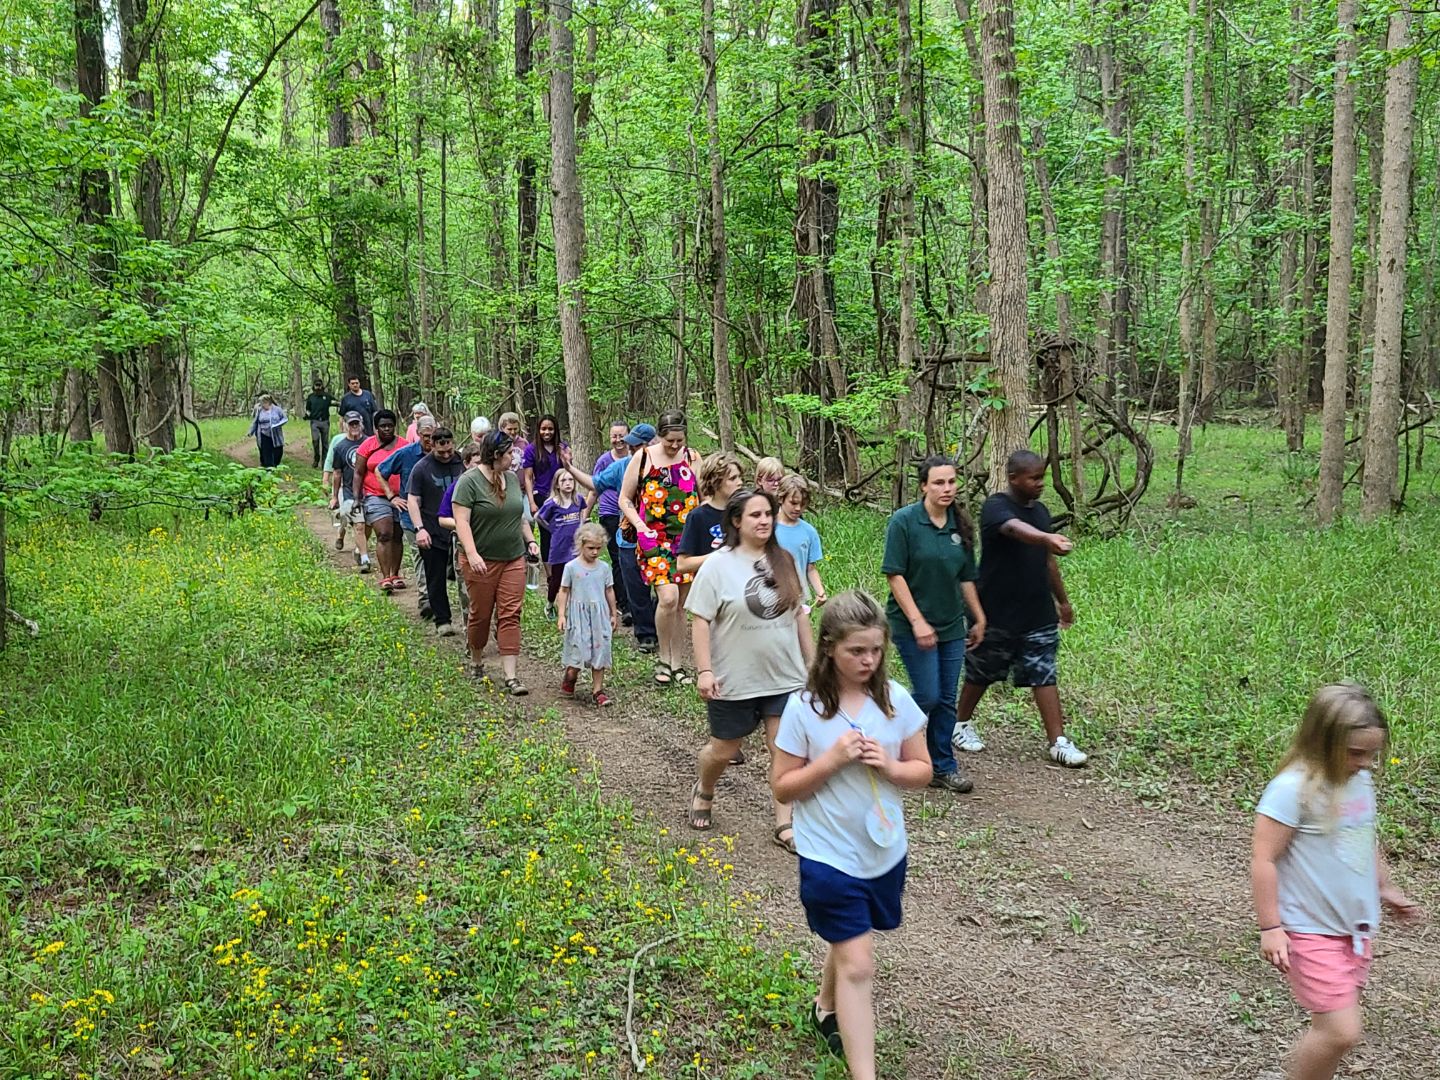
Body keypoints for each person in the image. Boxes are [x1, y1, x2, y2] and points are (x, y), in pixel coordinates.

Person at [771, 591, 932, 1076]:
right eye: (855, 651)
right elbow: (783, 786)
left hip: (882, 851)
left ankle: (825, 1007)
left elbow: (922, 770)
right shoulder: (805, 708)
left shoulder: (895, 701)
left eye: (876, 650)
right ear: (828, 648)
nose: (868, 660)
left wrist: (890, 767)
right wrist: (831, 760)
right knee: (860, 965)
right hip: (826, 855)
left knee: (851, 942)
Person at [1251, 684, 1424, 1080]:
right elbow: (1263, 858)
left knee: (1333, 1030)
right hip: (1310, 927)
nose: (1367, 763)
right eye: (1356, 753)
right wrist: (1271, 928)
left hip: (1354, 928)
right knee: (1340, 1032)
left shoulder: (1358, 780)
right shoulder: (1292, 790)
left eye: (1372, 754)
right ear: (1321, 740)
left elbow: (1363, 836)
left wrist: (1385, 887)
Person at [685, 490, 813, 855]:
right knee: (724, 749)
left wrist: (814, 665)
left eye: (768, 514)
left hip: (784, 677)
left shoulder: (784, 560)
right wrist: (705, 671)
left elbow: (799, 615)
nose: (764, 520)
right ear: (736, 521)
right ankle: (705, 788)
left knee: (783, 750)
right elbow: (700, 619)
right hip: (734, 678)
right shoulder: (717, 565)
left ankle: (784, 823)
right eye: (755, 514)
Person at [955, 448, 1087, 767]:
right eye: (1035, 478)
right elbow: (1014, 529)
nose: (1041, 483)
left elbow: (1048, 562)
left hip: (1037, 612)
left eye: (1043, 476)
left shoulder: (1041, 512)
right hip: (995, 612)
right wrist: (1047, 538)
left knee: (1044, 672)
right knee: (981, 672)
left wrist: (1063, 602)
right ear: (1014, 478)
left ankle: (1057, 741)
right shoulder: (996, 506)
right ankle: (958, 725)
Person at [881, 456, 986, 794]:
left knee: (945, 698)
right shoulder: (905, 522)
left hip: (951, 625)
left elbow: (966, 577)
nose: (947, 489)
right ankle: (886, 738)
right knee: (926, 693)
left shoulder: (961, 524)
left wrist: (979, 617)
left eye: (952, 482)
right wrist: (917, 621)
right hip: (911, 623)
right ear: (924, 485)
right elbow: (894, 575)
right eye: (939, 482)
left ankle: (942, 765)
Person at [451, 430, 541, 696]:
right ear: (494, 455)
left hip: (513, 558)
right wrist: (472, 552)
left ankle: (511, 676)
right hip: (480, 560)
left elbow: (519, 516)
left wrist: (530, 541)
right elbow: (462, 522)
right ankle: (477, 660)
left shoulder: (512, 479)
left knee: (510, 614)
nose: (514, 457)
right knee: (480, 614)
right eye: (509, 452)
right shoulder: (469, 482)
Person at [619, 410, 701, 686]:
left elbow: (702, 498)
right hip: (653, 539)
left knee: (680, 605)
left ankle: (678, 664)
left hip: (686, 540)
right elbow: (625, 499)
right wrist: (640, 525)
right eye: (670, 441)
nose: (675, 446)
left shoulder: (692, 458)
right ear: (660, 436)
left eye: (679, 440)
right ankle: (663, 659)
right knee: (667, 598)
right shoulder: (642, 458)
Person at [563, 427, 659, 654]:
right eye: (632, 446)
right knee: (635, 586)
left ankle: (658, 618)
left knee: (663, 588)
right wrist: (569, 468)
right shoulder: (622, 467)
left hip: (660, 537)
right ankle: (646, 634)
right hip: (628, 537)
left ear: (652, 444)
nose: (633, 450)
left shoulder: (664, 467)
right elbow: (595, 483)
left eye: (638, 446)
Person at [407, 427, 466, 637]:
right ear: (432, 445)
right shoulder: (421, 468)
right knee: (435, 576)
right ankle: (443, 620)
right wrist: (419, 529)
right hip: (432, 529)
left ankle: (470, 618)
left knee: (464, 576)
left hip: (460, 528)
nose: (446, 455)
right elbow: (413, 500)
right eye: (441, 452)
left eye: (449, 450)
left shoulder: (462, 463)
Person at [557, 522, 619, 707]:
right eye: (590, 548)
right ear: (581, 545)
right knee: (578, 649)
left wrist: (613, 613)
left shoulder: (604, 568)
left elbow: (609, 591)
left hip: (599, 616)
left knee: (600, 650)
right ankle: (571, 676)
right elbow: (564, 590)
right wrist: (562, 614)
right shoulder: (571, 567)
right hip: (579, 616)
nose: (594, 552)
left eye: (598, 548)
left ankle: (597, 690)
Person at [379, 416, 436, 612]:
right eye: (426, 436)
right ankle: (425, 597)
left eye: (433, 435)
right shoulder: (406, 454)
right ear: (418, 434)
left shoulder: (443, 454)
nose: (430, 440)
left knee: (437, 556)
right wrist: (392, 496)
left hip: (436, 515)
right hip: (410, 516)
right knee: (419, 553)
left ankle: (435, 594)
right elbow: (380, 471)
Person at [353, 409, 412, 594]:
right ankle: (385, 576)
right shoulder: (367, 445)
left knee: (397, 535)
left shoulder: (404, 445)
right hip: (375, 495)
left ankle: (395, 574)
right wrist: (356, 498)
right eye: (382, 426)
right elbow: (359, 472)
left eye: (390, 426)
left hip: (401, 496)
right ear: (376, 428)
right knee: (384, 533)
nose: (387, 429)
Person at [591, 422, 635, 625]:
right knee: (618, 559)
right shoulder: (604, 460)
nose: (618, 440)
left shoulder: (635, 460)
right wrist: (585, 512)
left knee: (633, 559)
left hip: (632, 514)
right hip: (609, 513)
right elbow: (595, 486)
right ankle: (625, 605)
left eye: (621, 436)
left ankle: (637, 602)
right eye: (614, 436)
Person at [439, 442, 485, 629]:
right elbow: (443, 518)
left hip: (488, 543)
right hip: (463, 545)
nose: (480, 467)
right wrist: (463, 525)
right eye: (476, 463)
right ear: (466, 463)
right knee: (467, 591)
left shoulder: (492, 484)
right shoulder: (457, 487)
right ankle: (470, 630)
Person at [676, 451, 744, 578]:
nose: (740, 482)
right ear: (715, 481)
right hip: (711, 585)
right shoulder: (698, 516)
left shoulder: (745, 512)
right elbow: (682, 564)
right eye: (733, 478)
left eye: (740, 477)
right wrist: (719, 556)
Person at [536, 468, 585, 620]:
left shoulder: (578, 499)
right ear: (557, 485)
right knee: (556, 578)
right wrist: (551, 528)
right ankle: (550, 605)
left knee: (577, 576)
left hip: (575, 546)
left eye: (570, 480)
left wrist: (581, 527)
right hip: (558, 546)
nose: (568, 483)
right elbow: (538, 517)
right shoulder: (552, 503)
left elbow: (583, 513)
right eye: (563, 481)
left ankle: (574, 607)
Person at [324, 411, 370, 571]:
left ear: (361, 424)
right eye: (351, 424)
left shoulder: (370, 442)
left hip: (370, 491)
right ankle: (365, 559)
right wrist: (334, 497)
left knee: (367, 525)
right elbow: (337, 473)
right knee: (359, 525)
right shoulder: (340, 447)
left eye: (357, 423)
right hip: (350, 491)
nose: (354, 427)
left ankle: (359, 549)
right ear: (345, 425)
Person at [776, 474, 828, 609]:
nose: (798, 508)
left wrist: (820, 591)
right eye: (793, 503)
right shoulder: (767, 527)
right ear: (781, 498)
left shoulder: (809, 532)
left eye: (803, 504)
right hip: (769, 594)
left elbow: (810, 568)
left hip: (798, 598)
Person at [522, 414, 568, 560]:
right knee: (546, 535)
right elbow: (528, 478)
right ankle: (549, 576)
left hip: (561, 497)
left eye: (550, 429)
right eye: (543, 429)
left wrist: (567, 459)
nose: (547, 432)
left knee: (563, 533)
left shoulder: (562, 448)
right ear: (538, 430)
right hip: (541, 496)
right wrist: (531, 502)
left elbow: (568, 472)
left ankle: (562, 568)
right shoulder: (531, 449)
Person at [249, 394, 288, 468]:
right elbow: (255, 421)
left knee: (278, 453)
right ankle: (268, 469)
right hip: (264, 434)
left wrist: (278, 425)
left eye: (262, 403)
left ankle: (275, 465)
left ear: (268, 402)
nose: (261, 405)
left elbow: (285, 419)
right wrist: (251, 431)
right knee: (266, 454)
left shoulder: (277, 409)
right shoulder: (260, 410)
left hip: (276, 435)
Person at [304, 380, 337, 468]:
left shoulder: (327, 396)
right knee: (315, 440)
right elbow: (308, 409)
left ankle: (325, 462)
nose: (318, 387)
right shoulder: (311, 397)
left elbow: (335, 402)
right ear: (314, 386)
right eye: (316, 385)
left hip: (325, 421)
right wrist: (307, 415)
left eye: (319, 385)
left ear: (322, 386)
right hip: (314, 421)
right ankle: (316, 458)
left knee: (325, 443)